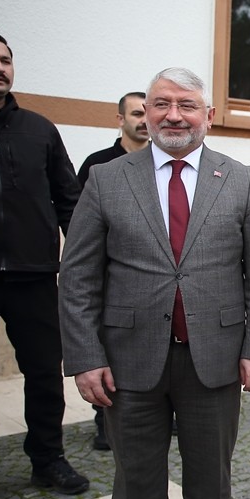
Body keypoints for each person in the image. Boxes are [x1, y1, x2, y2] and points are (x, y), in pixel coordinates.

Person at [59, 67, 250, 499]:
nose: (173, 115)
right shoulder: (107, 179)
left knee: (211, 483)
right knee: (136, 485)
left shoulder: (241, 179)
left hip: (216, 360)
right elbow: (77, 277)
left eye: (186, 104)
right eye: (161, 104)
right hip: (128, 362)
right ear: (145, 113)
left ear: (208, 115)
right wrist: (85, 357)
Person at [0, 27, 88, 499]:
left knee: (45, 373)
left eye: (5, 60)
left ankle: (48, 459)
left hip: (34, 274)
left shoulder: (39, 129)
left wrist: (84, 260)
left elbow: (69, 200)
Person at [77, 91, 150, 451]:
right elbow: (80, 224)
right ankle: (105, 418)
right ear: (120, 119)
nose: (144, 120)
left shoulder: (162, 165)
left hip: (150, 280)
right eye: (136, 113)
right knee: (112, 350)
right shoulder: (98, 166)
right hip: (110, 277)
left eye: (147, 112)